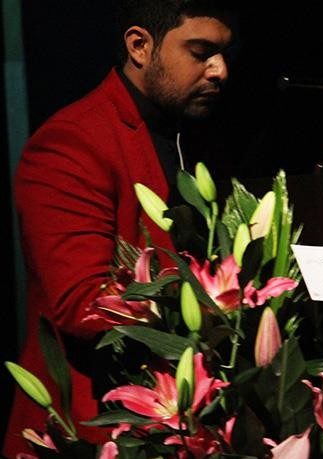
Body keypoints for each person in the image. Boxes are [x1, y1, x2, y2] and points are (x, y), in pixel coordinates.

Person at [4, 0, 239, 456]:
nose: (220, 70)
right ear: (139, 46)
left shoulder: (194, 133)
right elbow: (83, 304)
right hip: (93, 429)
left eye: (224, 53)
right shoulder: (71, 142)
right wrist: (224, 303)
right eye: (200, 52)